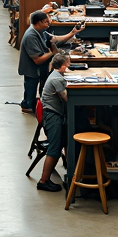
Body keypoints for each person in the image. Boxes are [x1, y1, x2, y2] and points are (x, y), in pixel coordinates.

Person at [17, 9, 84, 114]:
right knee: (30, 94)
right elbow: (38, 60)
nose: (49, 23)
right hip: (32, 69)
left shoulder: (41, 31)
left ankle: (39, 105)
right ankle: (28, 106)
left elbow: (55, 39)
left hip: (39, 68)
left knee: (41, 89)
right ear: (39, 22)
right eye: (46, 21)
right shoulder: (31, 36)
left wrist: (72, 33)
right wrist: (52, 53)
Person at [36, 52, 71, 191]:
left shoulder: (55, 75)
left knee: (58, 145)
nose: (69, 66)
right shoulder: (57, 80)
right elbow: (68, 99)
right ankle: (43, 181)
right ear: (62, 67)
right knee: (54, 149)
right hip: (52, 117)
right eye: (68, 64)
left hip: (51, 113)